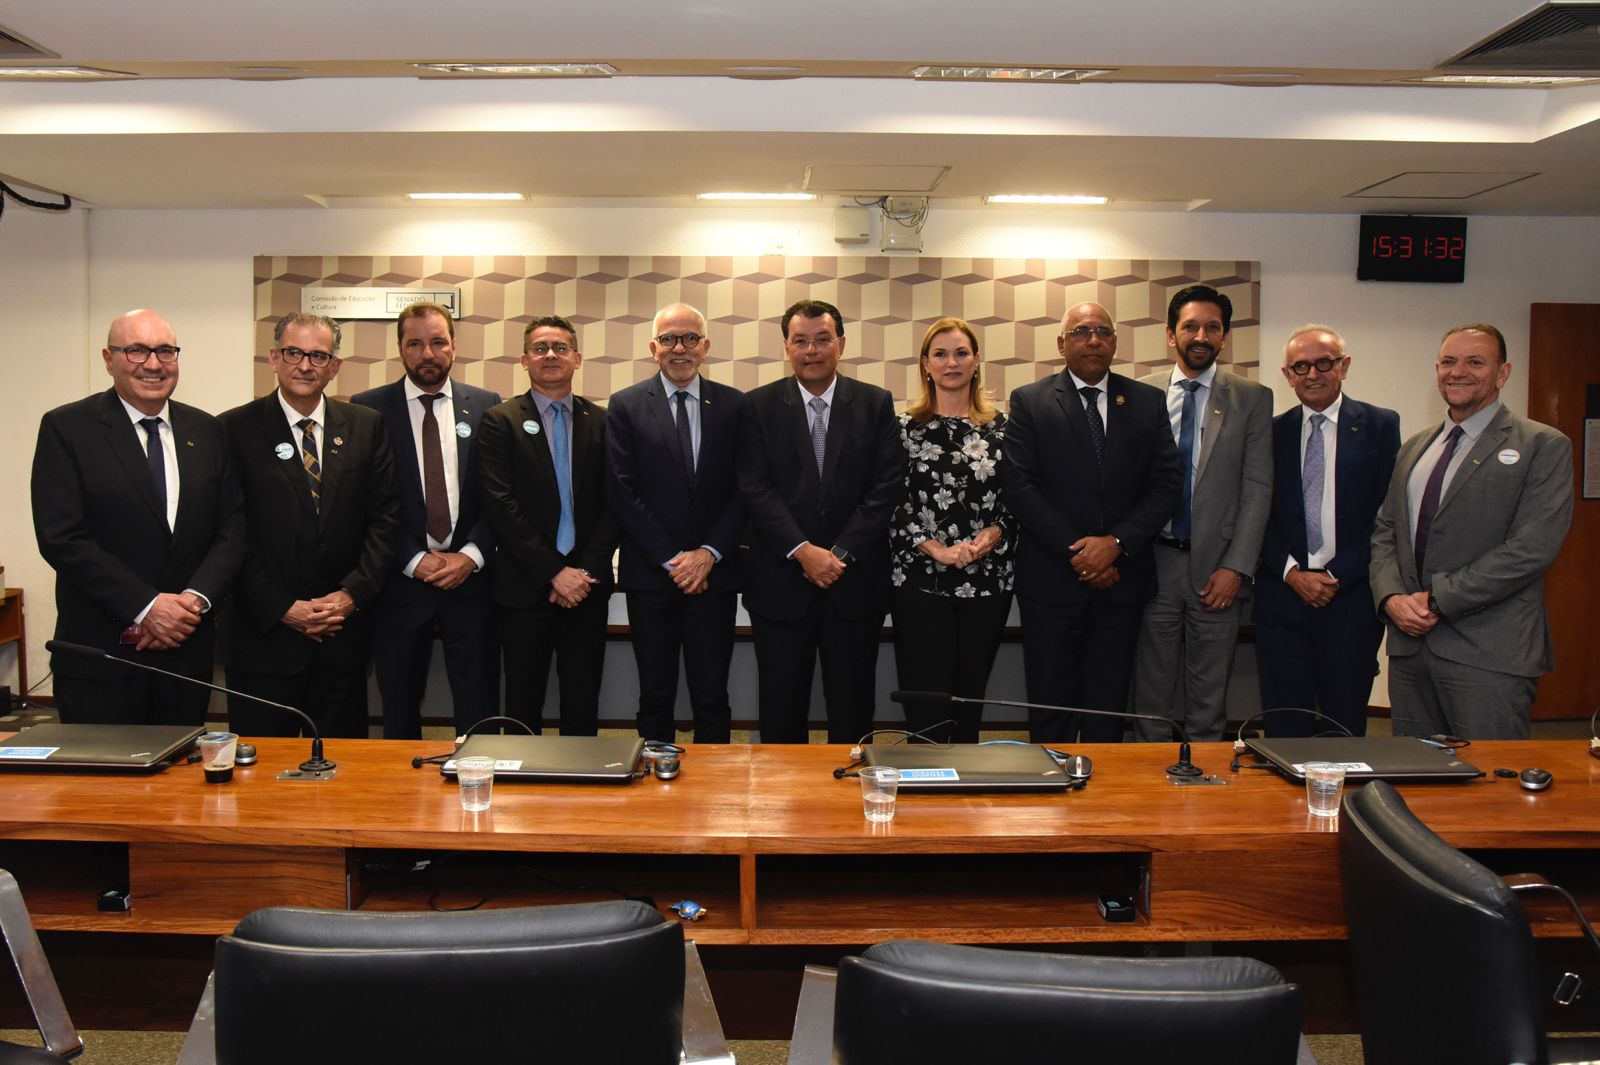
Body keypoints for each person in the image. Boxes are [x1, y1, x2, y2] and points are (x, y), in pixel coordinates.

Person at [31, 309, 245, 725]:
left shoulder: (208, 431)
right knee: (100, 768)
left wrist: (193, 602)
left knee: (183, 766)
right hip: (102, 658)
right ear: (108, 359)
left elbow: (232, 529)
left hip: (185, 654)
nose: (153, 364)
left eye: (165, 351)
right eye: (136, 350)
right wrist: (147, 607)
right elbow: (61, 537)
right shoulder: (67, 428)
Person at [1370, 323, 1573, 739]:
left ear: (1502, 373)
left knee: (1490, 778)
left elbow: (1531, 549)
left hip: (1488, 654)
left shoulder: (1543, 445)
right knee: (1413, 770)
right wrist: (1391, 598)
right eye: (1448, 361)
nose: (1458, 371)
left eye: (1475, 362)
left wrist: (1437, 598)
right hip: (1410, 651)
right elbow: (1386, 530)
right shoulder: (1415, 448)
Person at [1003, 303, 1182, 744]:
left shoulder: (1146, 401)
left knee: (1108, 705)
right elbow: (1020, 487)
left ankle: (1106, 783)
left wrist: (1115, 545)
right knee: (1050, 703)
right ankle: (1051, 780)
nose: (1094, 340)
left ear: (1115, 342)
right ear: (1061, 344)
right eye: (1081, 331)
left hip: (1122, 579)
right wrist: (1083, 554)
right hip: (1052, 580)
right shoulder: (1030, 401)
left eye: (1103, 331)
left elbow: (1166, 485)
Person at [219, 312, 399, 738]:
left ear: (335, 366)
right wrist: (283, 608)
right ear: (273, 358)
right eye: (293, 353)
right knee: (260, 768)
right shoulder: (232, 429)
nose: (305, 365)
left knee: (340, 765)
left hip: (341, 637)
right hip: (263, 639)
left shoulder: (366, 426)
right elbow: (229, 533)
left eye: (318, 356)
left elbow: (385, 520)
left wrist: (350, 596)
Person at [738, 299, 904, 744]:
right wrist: (803, 551)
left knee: (852, 713)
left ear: (841, 344)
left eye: (822, 339)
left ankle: (850, 788)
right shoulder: (757, 406)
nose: (811, 350)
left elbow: (886, 488)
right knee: (780, 711)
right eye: (801, 341)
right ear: (787, 347)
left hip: (854, 585)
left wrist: (838, 555)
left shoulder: (875, 403)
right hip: (780, 585)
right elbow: (754, 488)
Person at [351, 301, 502, 739]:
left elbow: (498, 495)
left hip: (472, 583)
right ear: (400, 348)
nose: (428, 354)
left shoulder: (487, 406)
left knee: (479, 706)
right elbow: (366, 502)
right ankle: (402, 783)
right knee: (398, 706)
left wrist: (471, 556)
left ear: (454, 345)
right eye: (415, 344)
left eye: (438, 342)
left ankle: (477, 775)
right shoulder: (368, 410)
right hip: (399, 583)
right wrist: (413, 559)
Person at [1132, 285, 1273, 742]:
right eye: (1190, 326)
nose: (1201, 336)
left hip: (1219, 570)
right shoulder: (1141, 394)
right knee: (1149, 696)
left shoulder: (1252, 398)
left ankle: (1205, 781)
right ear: (1170, 334)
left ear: (1224, 336)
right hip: (1153, 565)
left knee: (1209, 699)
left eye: (1212, 327)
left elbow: (1257, 489)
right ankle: (1147, 778)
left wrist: (1237, 567)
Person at [606, 303, 746, 744]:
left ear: (705, 346)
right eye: (668, 339)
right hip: (651, 577)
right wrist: (673, 559)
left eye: (689, 338)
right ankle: (652, 777)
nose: (679, 348)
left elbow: (744, 490)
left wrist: (708, 553)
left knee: (712, 697)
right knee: (655, 695)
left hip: (714, 575)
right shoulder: (626, 405)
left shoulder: (734, 405)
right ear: (653, 348)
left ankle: (715, 779)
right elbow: (622, 491)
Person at [1255, 326, 1399, 737]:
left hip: (1350, 598)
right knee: (1284, 722)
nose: (1313, 374)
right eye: (1301, 367)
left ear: (1344, 366)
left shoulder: (1379, 425)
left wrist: (1336, 574)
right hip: (1283, 597)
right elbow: (1256, 511)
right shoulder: (1270, 432)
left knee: (1344, 722)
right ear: (1288, 375)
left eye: (1324, 363)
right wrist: (1291, 573)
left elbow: (1387, 513)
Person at [479, 315, 619, 735]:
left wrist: (583, 571)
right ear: (525, 360)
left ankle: (581, 773)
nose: (550, 355)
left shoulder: (604, 421)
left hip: (587, 587)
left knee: (582, 698)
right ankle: (523, 777)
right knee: (522, 701)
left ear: (577, 358)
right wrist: (554, 573)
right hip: (524, 586)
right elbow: (500, 505)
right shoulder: (499, 420)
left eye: (560, 347)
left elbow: (616, 503)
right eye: (540, 348)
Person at [891, 318, 1016, 744]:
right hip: (919, 582)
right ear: (925, 364)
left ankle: (967, 781)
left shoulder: (1004, 428)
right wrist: (936, 550)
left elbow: (1019, 498)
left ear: (977, 360)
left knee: (969, 698)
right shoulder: (903, 429)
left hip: (987, 582)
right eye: (940, 354)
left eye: (961, 353)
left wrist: (995, 533)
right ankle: (924, 778)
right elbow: (890, 502)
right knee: (925, 702)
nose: (951, 363)